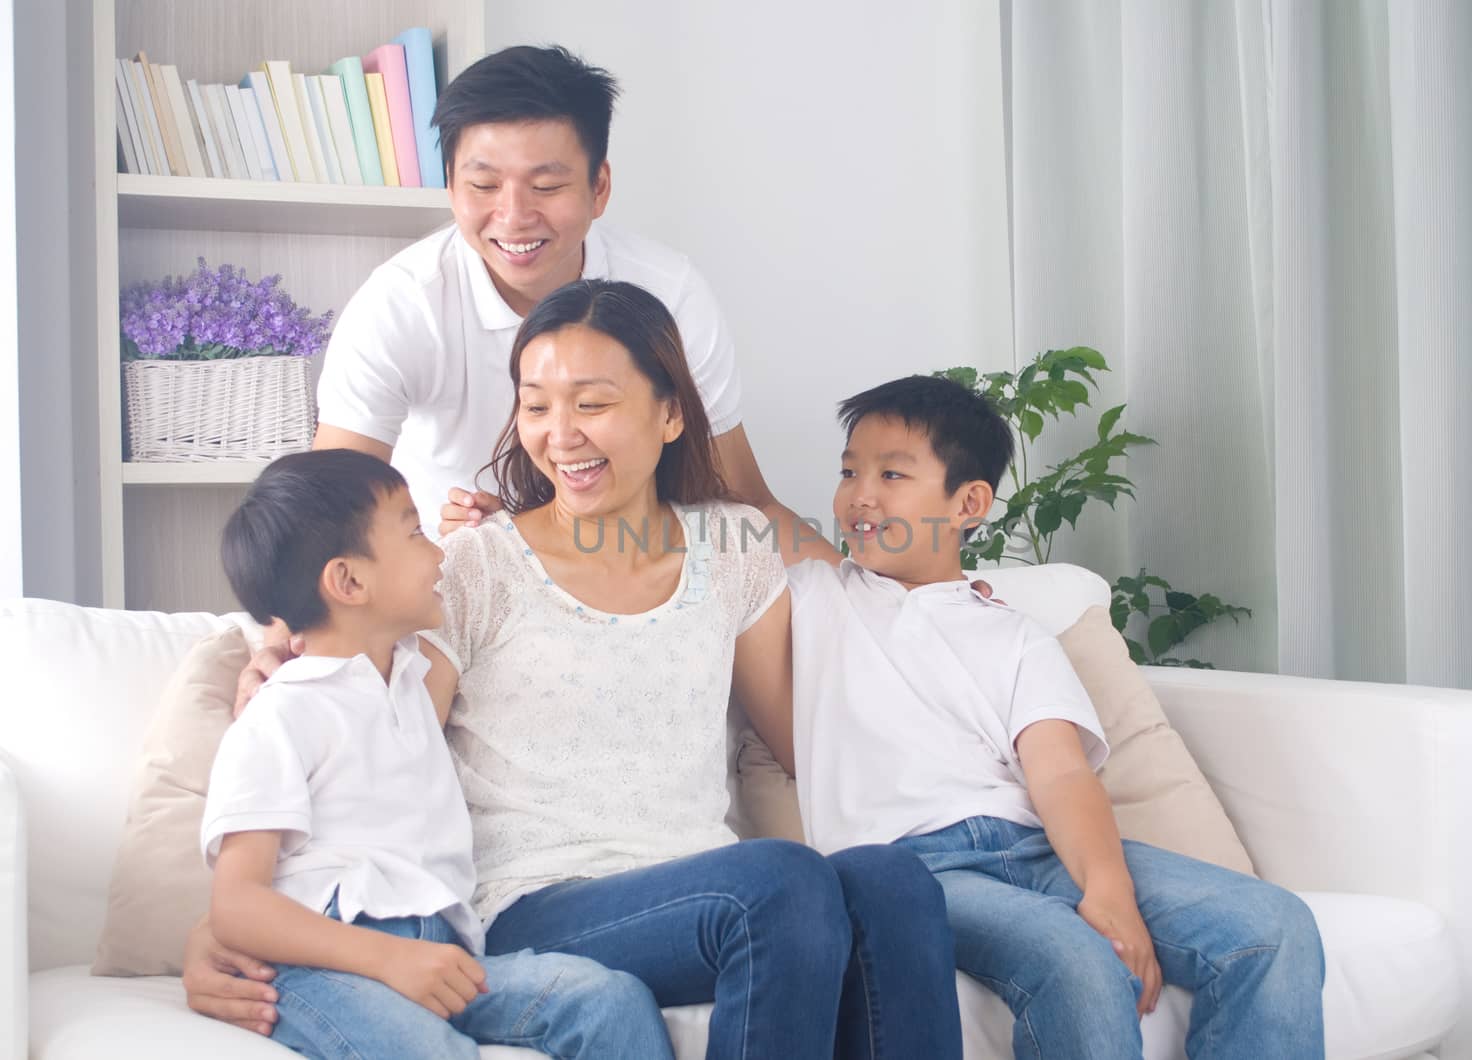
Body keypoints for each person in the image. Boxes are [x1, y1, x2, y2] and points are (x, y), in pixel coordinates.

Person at [190, 281, 963, 1060]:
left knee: (894, 885)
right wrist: (229, 926)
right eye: (536, 406)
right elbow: (368, 764)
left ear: (670, 413)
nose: (560, 435)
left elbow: (810, 747)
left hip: (709, 891)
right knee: (782, 884)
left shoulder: (733, 547)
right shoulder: (472, 565)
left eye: (591, 404)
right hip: (534, 906)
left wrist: (940, 608)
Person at [785, 374, 1327, 1060]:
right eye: (848, 472)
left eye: (891, 474)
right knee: (1074, 958)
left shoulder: (1017, 636)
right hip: (910, 872)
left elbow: (1063, 775)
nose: (860, 494)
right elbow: (733, 497)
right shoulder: (819, 593)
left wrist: (1109, 891)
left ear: (969, 502)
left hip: (1033, 848)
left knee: (1272, 925)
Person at [205, 448, 673, 1059]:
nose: (438, 553)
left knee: (608, 999)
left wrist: (508, 529)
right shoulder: (283, 713)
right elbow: (237, 905)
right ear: (349, 582)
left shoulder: (410, 681)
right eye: (415, 531)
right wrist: (389, 958)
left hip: (440, 952)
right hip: (328, 962)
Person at [310, 43, 828, 560]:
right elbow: (329, 509)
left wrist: (874, 605)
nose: (513, 216)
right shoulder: (402, 304)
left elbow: (743, 502)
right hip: (447, 572)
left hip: (627, 570)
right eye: (484, 184)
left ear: (599, 187)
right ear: (449, 186)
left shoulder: (668, 293)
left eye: (547, 185)